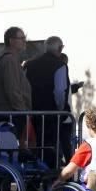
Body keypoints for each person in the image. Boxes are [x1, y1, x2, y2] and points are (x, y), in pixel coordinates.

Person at [24, 36, 68, 167]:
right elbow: (60, 91)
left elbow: (24, 88)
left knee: (35, 146)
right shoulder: (60, 65)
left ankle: (35, 178)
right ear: (60, 48)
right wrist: (61, 109)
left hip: (33, 112)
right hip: (52, 113)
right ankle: (51, 179)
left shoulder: (29, 64)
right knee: (50, 147)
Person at [0, 26, 32, 139]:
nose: (24, 41)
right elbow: (12, 89)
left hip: (2, 111)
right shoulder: (9, 59)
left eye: (24, 38)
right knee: (12, 149)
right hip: (10, 114)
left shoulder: (0, 56)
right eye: (21, 38)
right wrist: (22, 112)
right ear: (11, 40)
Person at [53, 107, 96, 191]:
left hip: (92, 190)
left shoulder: (89, 145)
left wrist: (59, 179)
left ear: (89, 125)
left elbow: (69, 170)